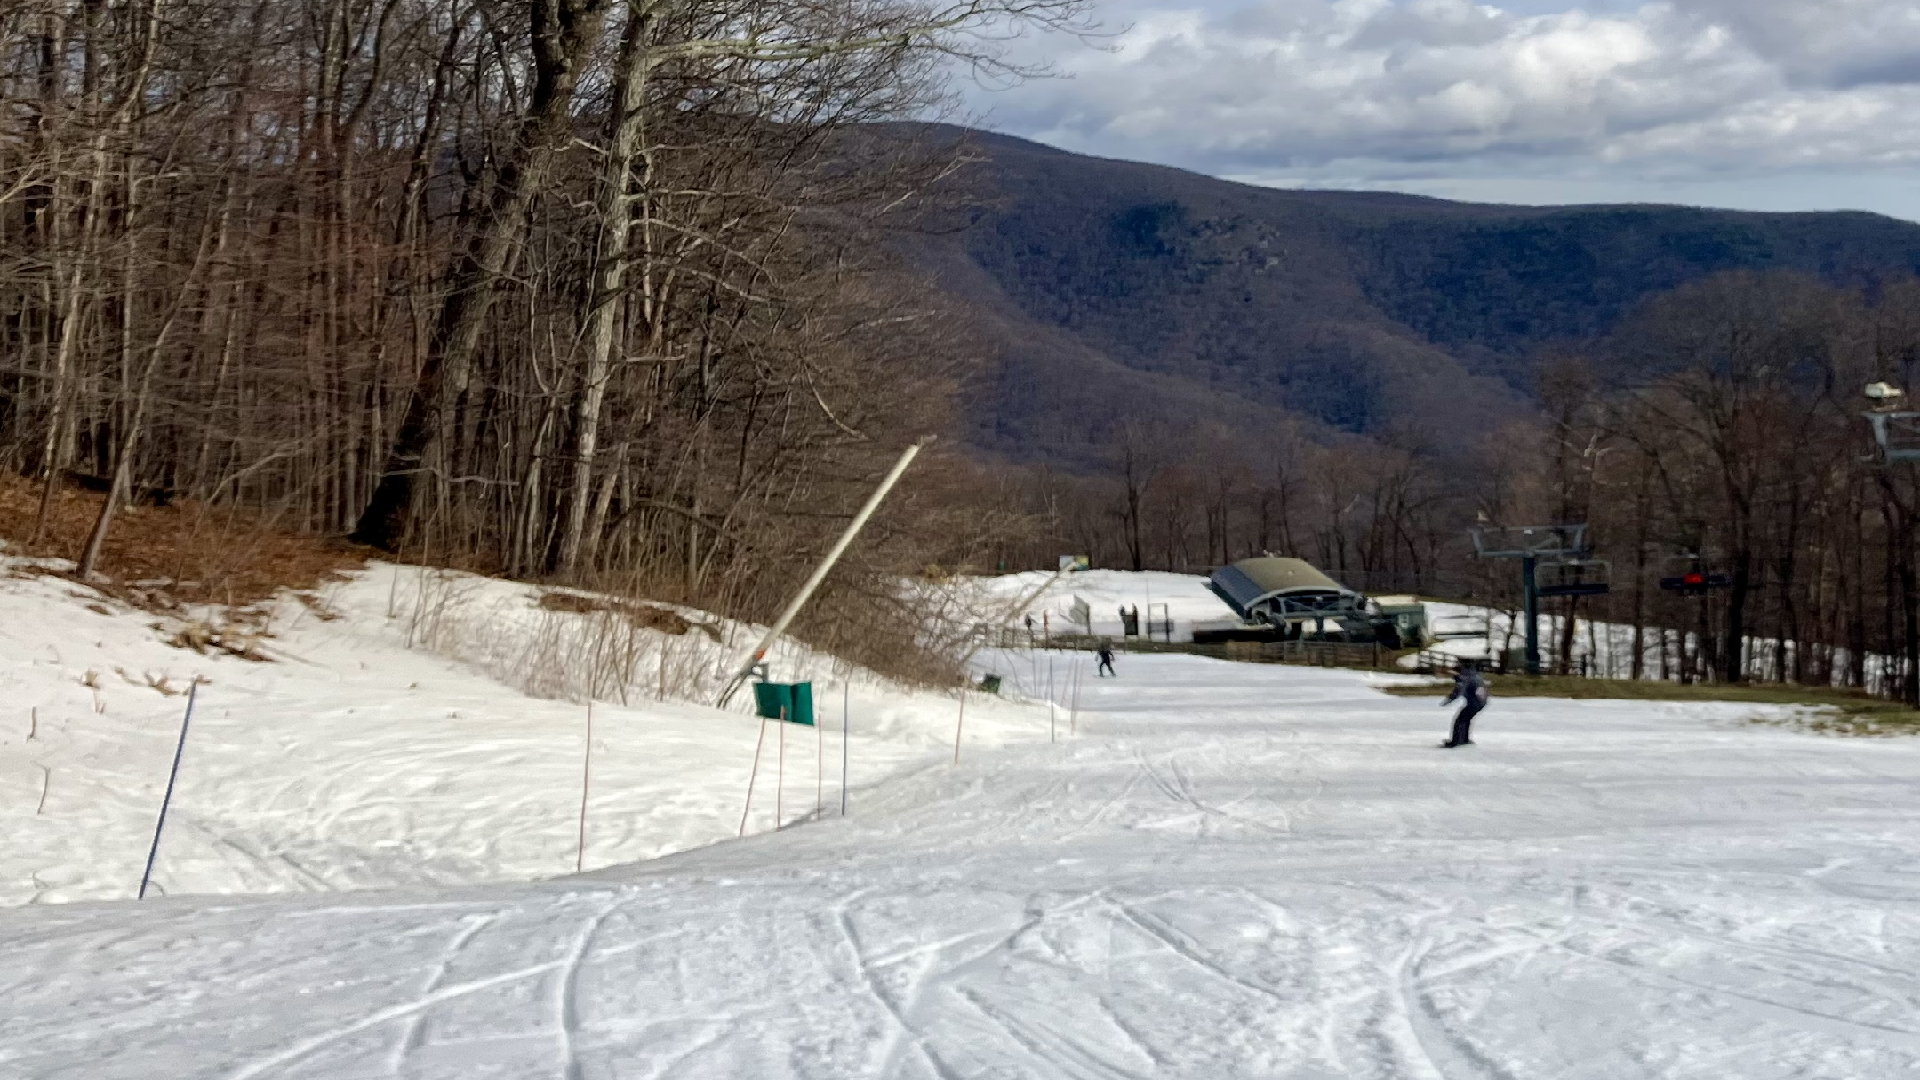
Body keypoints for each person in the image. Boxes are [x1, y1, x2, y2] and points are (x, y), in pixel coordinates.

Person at [1439, 661, 1489, 748]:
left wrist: (1449, 699)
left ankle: (1455, 741)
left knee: (1460, 720)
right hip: (1481, 702)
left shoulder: (1464, 678)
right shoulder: (1475, 675)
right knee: (1466, 719)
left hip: (1474, 702)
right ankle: (1464, 739)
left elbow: (1458, 690)